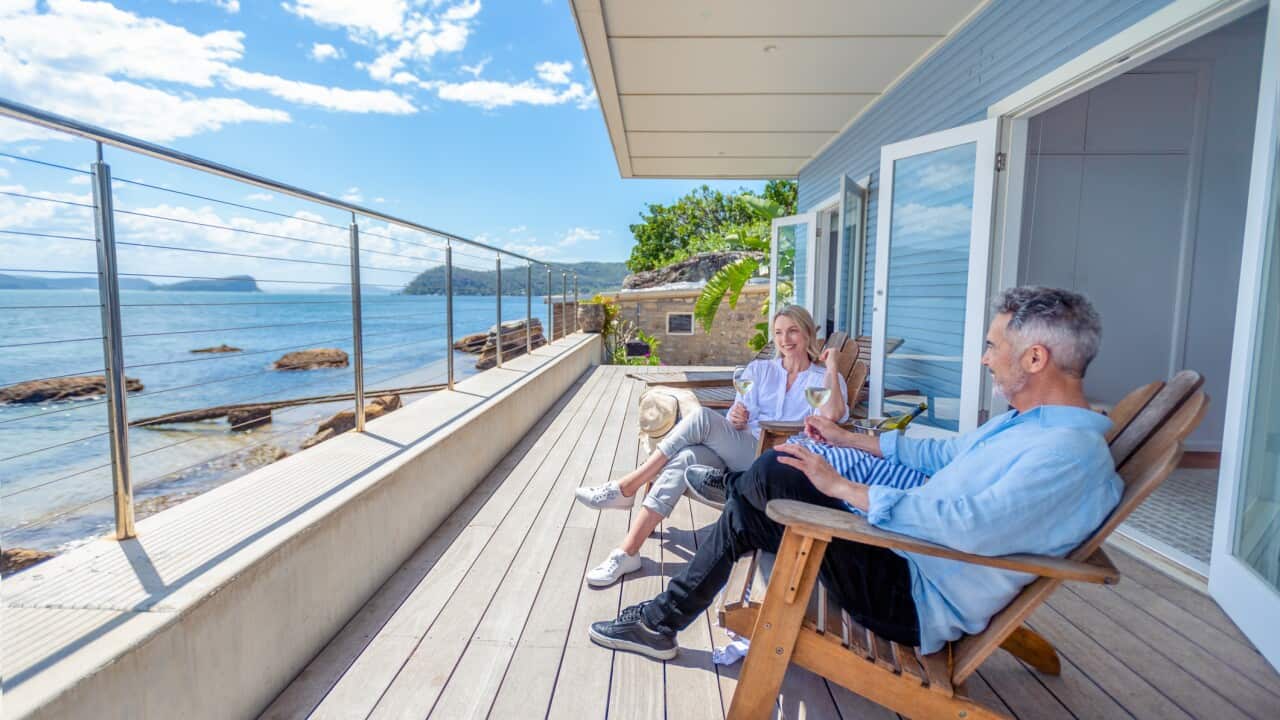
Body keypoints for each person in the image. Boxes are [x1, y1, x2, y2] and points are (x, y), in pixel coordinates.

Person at [586, 286, 1123, 661]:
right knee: (772, 478)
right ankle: (663, 616)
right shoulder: (1029, 426)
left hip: (913, 591)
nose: (985, 360)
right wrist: (849, 440)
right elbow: (941, 459)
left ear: (1034, 359)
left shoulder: (1067, 455)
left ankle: (662, 616)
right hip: (906, 551)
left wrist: (842, 488)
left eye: (992, 347)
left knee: (772, 475)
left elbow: (965, 526)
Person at [573, 305, 849, 587]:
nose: (785, 339)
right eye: (778, 332)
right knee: (686, 458)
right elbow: (738, 413)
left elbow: (833, 414)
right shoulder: (761, 370)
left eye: (792, 331)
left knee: (703, 418)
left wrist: (832, 365)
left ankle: (626, 487)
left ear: (807, 333)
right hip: (742, 446)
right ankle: (627, 551)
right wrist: (736, 417)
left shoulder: (823, 378)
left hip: (776, 462)